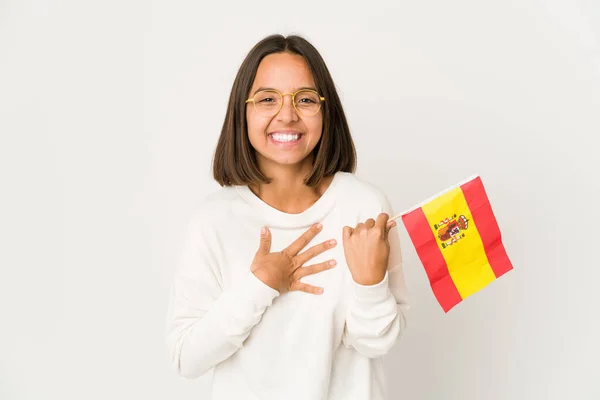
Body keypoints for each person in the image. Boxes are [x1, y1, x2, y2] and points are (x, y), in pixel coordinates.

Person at [165, 34, 409, 400]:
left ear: (327, 111)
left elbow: (377, 342)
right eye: (267, 99)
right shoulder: (213, 222)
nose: (287, 114)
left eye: (306, 99)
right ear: (241, 112)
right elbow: (187, 357)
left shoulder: (364, 206)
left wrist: (370, 284)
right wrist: (259, 286)